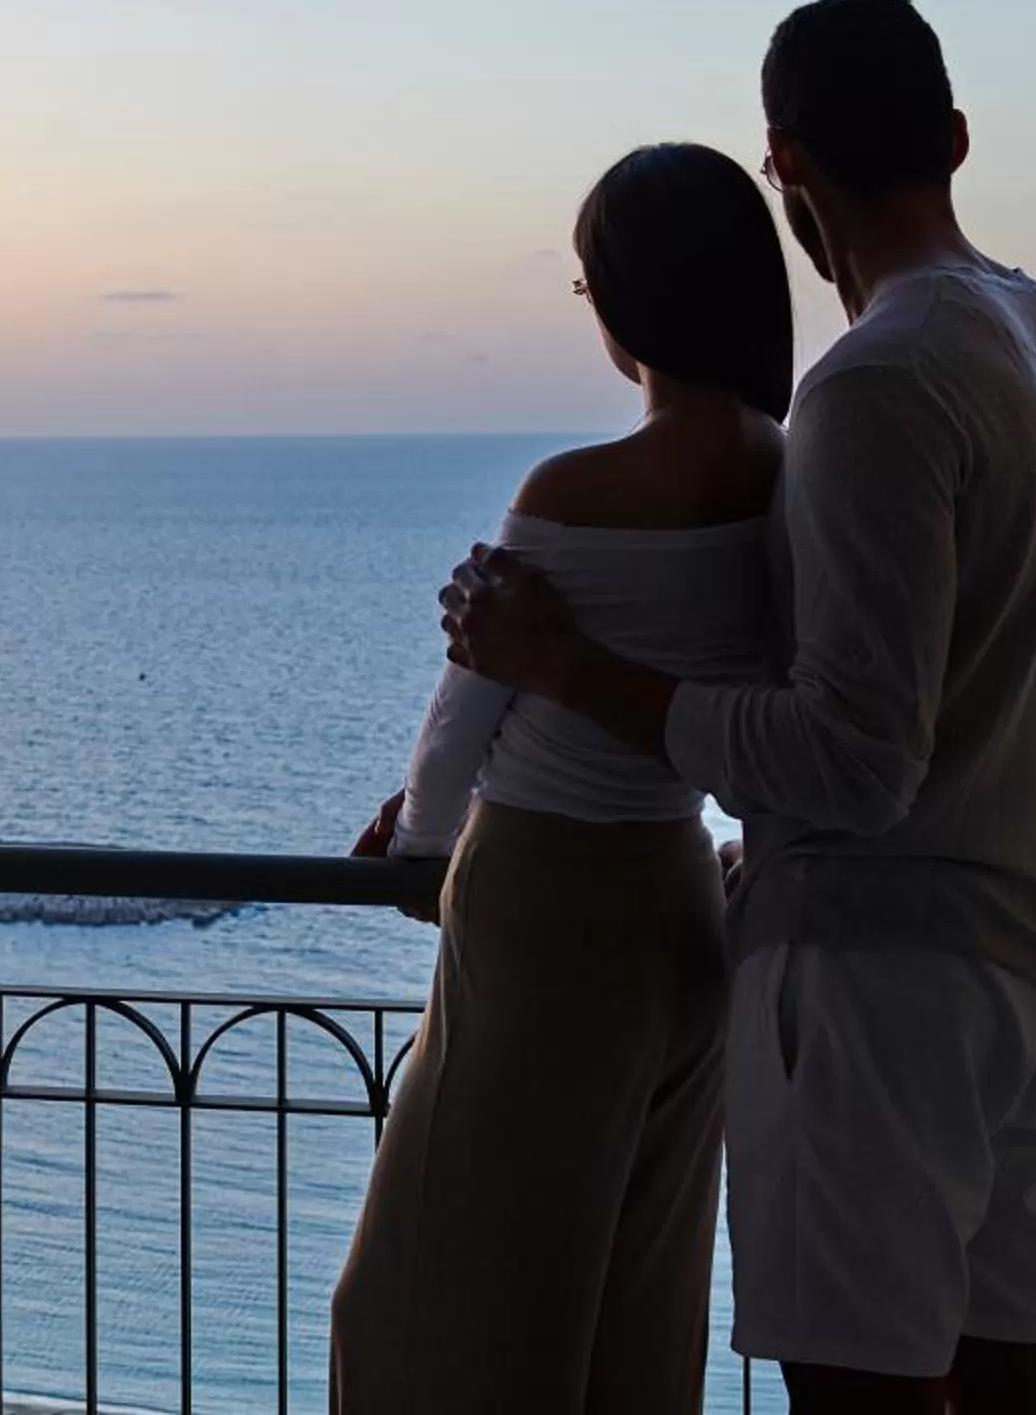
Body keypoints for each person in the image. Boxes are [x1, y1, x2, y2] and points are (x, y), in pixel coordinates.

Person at [441, 0, 1036, 1414]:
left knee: (860, 1391)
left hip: (879, 988)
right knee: (1030, 1381)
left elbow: (852, 758)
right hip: (1029, 951)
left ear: (786, 169)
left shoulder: (879, 382)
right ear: (954, 138)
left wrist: (566, 668)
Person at [331, 141, 792, 1414]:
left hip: (541, 908)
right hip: (682, 898)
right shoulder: (791, 476)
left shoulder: (571, 489)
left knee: (427, 1296)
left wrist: (424, 849)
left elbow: (464, 710)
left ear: (628, 300)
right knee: (630, 1300)